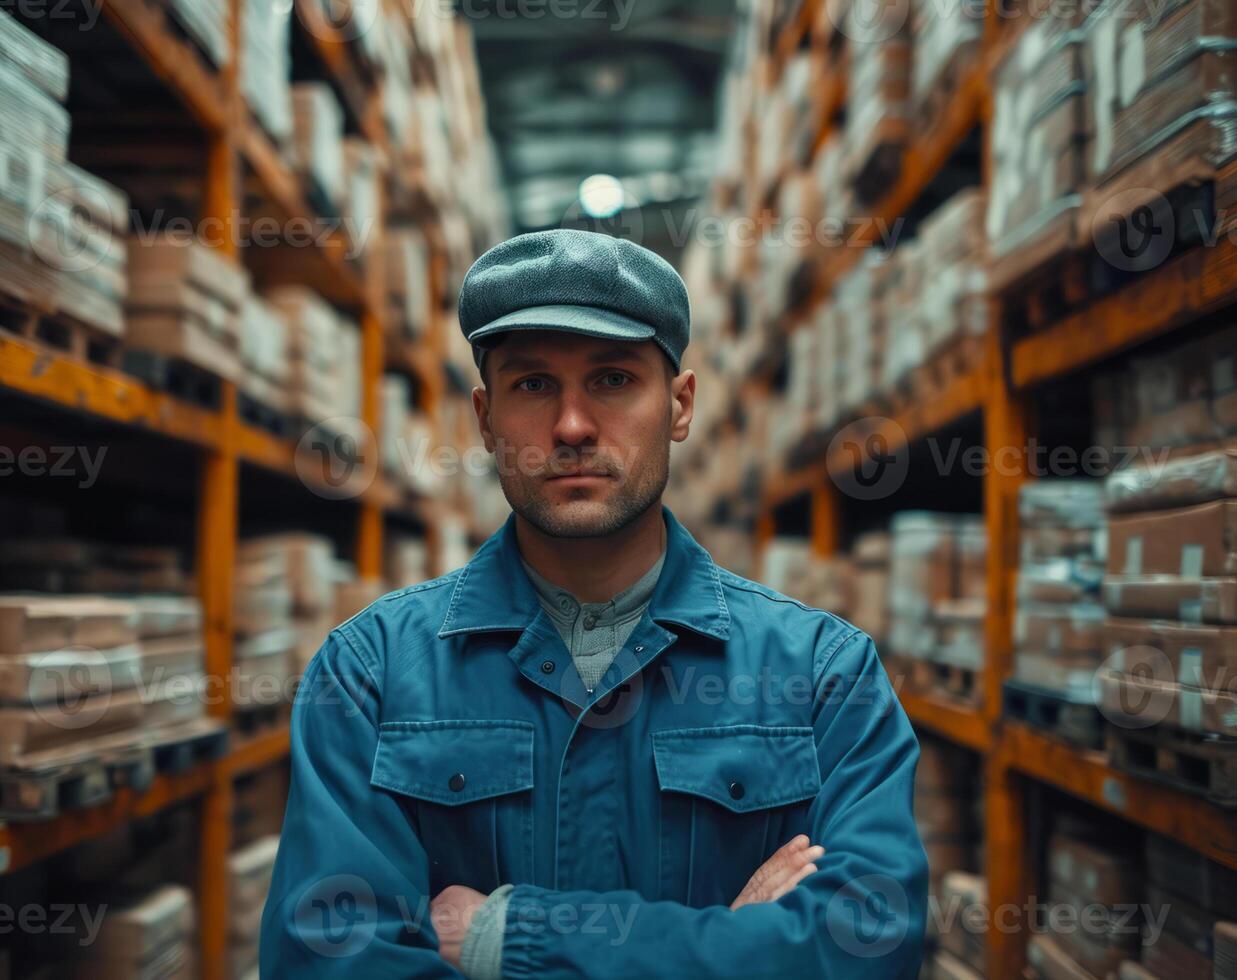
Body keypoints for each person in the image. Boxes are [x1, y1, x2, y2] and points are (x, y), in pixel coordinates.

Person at [260, 228, 928, 978]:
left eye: (611, 380)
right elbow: (330, 959)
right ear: (484, 419)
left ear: (679, 406)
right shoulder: (369, 676)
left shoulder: (823, 677)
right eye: (532, 385)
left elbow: (868, 942)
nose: (572, 426)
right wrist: (730, 947)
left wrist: (507, 938)